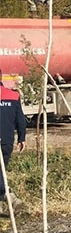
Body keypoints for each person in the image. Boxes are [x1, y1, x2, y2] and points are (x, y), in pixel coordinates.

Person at [0, 68, 27, 208]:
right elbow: (20, 120)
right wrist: (22, 138)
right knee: (2, 169)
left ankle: (6, 194)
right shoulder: (13, 96)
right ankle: (7, 195)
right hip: (6, 141)